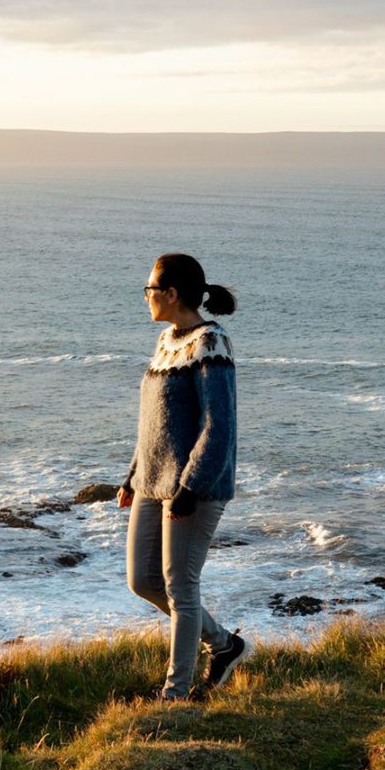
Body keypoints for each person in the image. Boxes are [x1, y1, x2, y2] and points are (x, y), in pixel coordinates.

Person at [117, 252, 247, 701]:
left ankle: (175, 694)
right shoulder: (167, 340)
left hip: (195, 488)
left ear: (171, 294)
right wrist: (132, 476)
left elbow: (219, 425)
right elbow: (154, 422)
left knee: (180, 586)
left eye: (150, 290)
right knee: (142, 580)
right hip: (153, 482)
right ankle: (225, 645)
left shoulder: (212, 342)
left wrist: (190, 487)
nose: (147, 297)